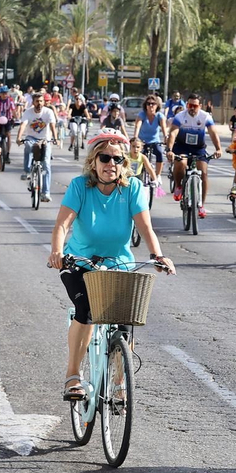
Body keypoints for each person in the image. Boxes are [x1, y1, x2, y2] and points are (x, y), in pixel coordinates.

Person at [48, 130, 175, 402]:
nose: (111, 164)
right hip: (79, 262)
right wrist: (57, 251)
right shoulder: (80, 186)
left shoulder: (133, 189)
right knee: (87, 310)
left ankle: (119, 383)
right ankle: (73, 375)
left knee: (124, 320)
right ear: (93, 161)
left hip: (119, 263)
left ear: (125, 163)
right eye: (104, 158)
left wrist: (158, 256)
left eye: (117, 159)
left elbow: (146, 227)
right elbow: (62, 224)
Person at [164, 93, 222, 217]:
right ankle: (178, 186)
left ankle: (201, 205)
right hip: (181, 146)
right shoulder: (180, 116)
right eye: (190, 105)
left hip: (198, 148)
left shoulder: (205, 116)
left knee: (204, 172)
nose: (192, 108)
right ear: (187, 105)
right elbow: (173, 133)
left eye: (195, 106)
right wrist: (169, 149)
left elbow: (213, 133)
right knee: (181, 163)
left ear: (199, 106)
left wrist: (218, 149)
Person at [20, 92, 60, 202]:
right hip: (31, 138)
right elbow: (23, 125)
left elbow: (52, 126)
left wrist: (55, 138)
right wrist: (19, 138)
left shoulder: (49, 112)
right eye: (37, 101)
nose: (39, 103)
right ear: (33, 102)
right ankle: (27, 171)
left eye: (41, 101)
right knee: (27, 144)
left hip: (45, 140)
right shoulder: (28, 112)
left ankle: (45, 193)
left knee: (46, 165)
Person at [135, 95, 166, 184]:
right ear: (146, 106)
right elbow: (138, 126)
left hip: (155, 141)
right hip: (142, 141)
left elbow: (163, 128)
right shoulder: (142, 115)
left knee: (159, 152)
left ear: (157, 105)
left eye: (153, 104)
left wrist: (165, 138)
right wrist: (136, 138)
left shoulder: (160, 116)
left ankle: (158, 175)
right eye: (148, 104)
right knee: (139, 156)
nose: (151, 106)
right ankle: (139, 176)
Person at [0, 87, 18, 162]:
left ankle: (7, 153)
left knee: (8, 135)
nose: (5, 95)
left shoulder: (10, 100)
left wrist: (17, 119)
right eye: (3, 93)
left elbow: (13, 110)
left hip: (7, 118)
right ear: (0, 94)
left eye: (6, 93)